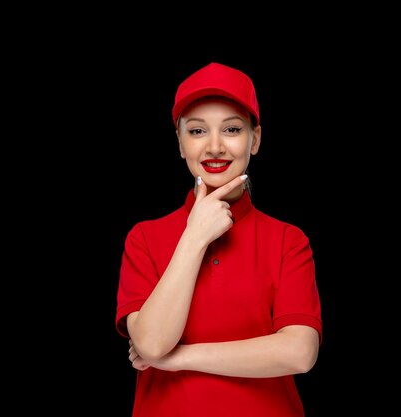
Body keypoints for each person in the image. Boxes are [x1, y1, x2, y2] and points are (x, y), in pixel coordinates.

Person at [115, 62, 322, 416]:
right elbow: (150, 342)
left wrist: (177, 358)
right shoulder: (144, 238)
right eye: (196, 131)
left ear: (255, 139)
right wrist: (194, 236)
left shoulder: (289, 240)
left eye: (231, 129)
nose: (214, 147)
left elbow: (299, 353)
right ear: (179, 143)